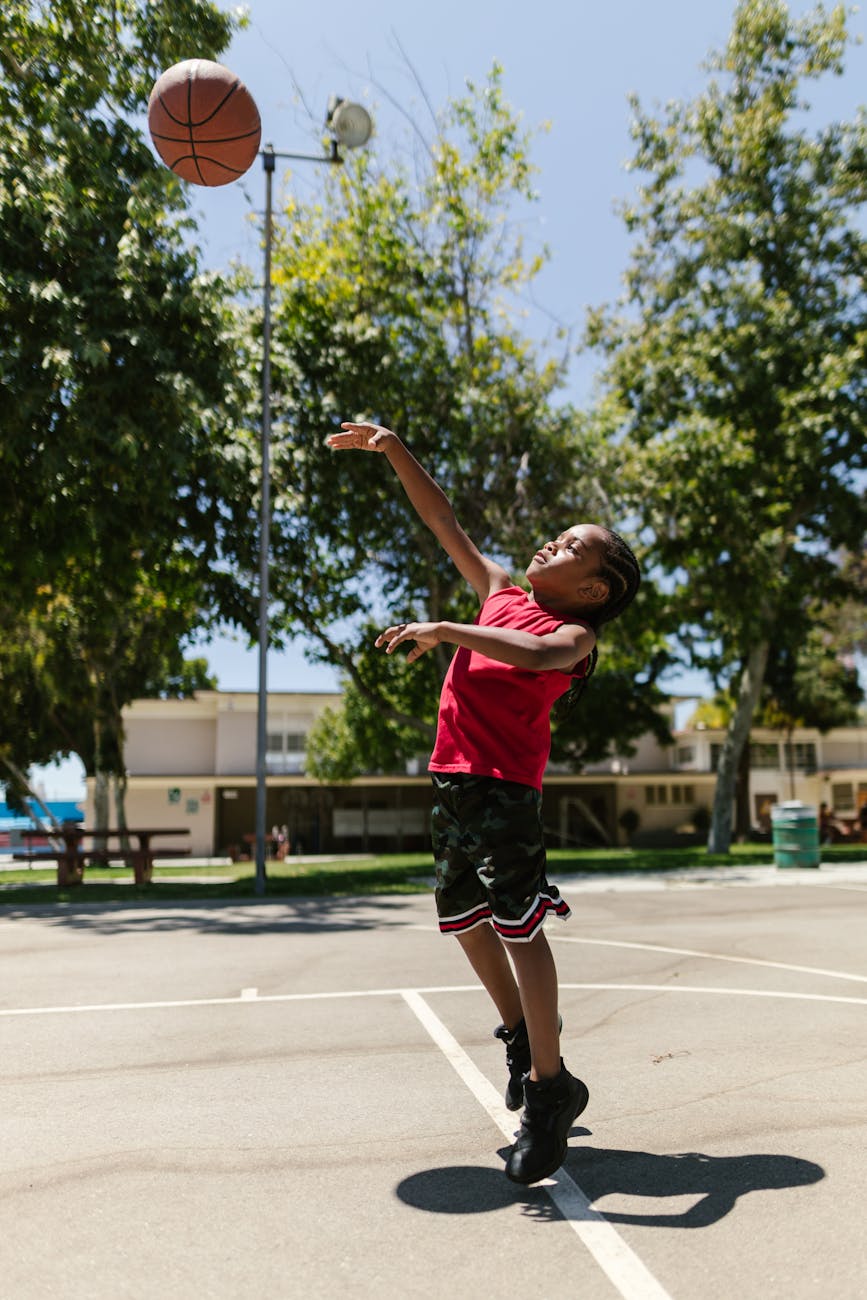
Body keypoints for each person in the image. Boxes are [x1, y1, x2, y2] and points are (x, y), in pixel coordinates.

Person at [327, 420, 640, 1185]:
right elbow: (442, 520)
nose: (548, 545)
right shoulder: (498, 588)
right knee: (465, 925)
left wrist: (444, 628)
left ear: (593, 589)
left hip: (503, 791)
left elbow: (532, 656)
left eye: (569, 548)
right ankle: (519, 1037)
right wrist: (396, 446)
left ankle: (547, 1088)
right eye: (556, 536)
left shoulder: (571, 635)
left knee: (519, 928)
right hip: (451, 780)